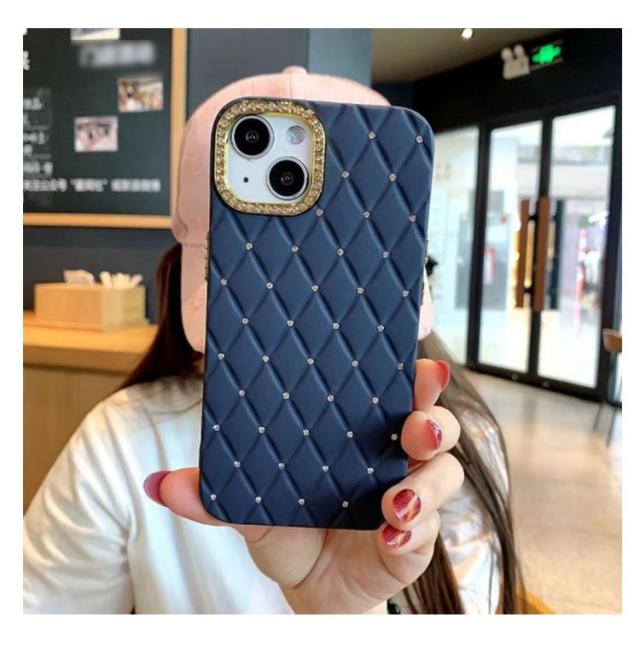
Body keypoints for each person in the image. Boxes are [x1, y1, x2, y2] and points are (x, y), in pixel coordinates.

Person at [23, 67, 524, 614]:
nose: (302, 311)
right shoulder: (119, 442)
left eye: (338, 273)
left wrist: (348, 614)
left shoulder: (451, 454)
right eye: (269, 269)